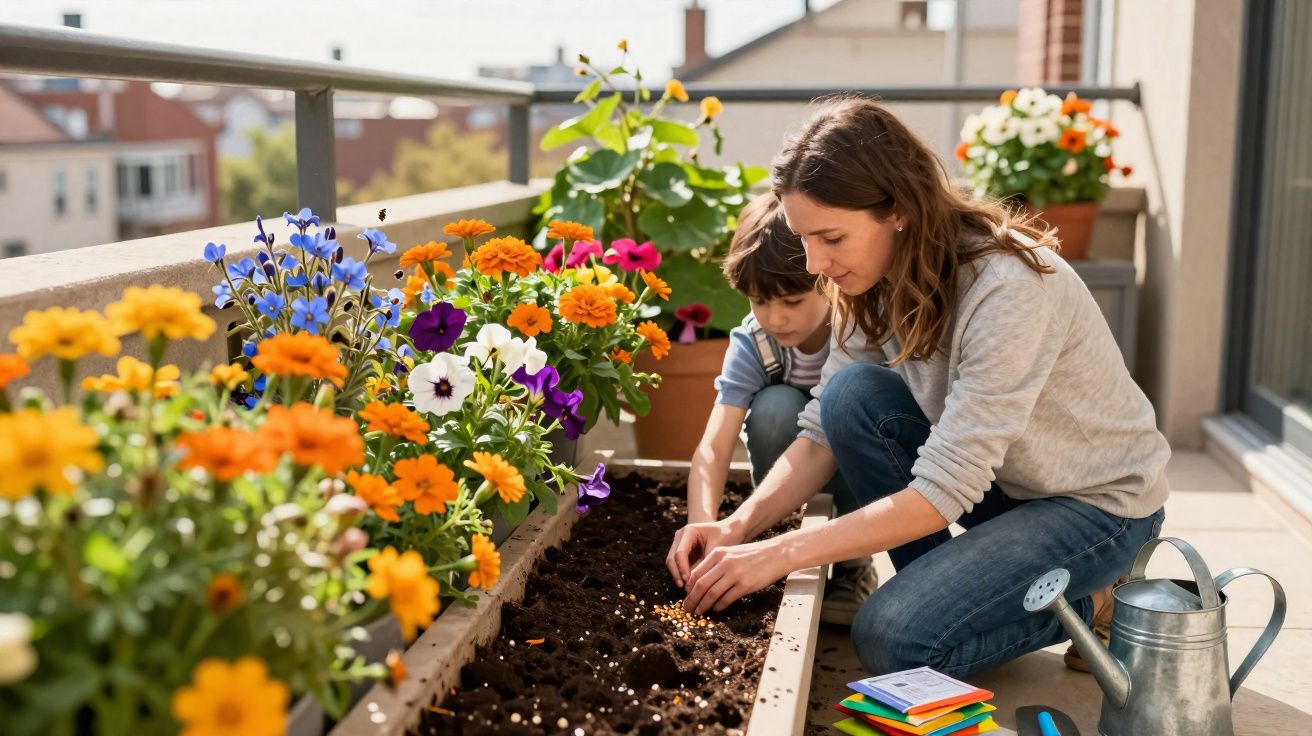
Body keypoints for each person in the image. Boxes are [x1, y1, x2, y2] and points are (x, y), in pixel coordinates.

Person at [665, 97, 1169, 679]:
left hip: (1096, 506)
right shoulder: (864, 279)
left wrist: (780, 554)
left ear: (898, 209)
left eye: (830, 237)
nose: (815, 262)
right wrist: (736, 527)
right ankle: (952, 601)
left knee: (892, 641)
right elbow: (821, 430)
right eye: (805, 239)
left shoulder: (1007, 288)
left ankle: (1100, 599)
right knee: (850, 396)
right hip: (1006, 486)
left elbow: (943, 491)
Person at [687, 192, 877, 625]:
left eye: (791, 301)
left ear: (826, 278)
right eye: (759, 301)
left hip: (851, 469)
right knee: (775, 405)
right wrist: (703, 528)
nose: (776, 318)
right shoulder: (755, 343)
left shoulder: (858, 332)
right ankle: (778, 535)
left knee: (846, 406)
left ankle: (852, 566)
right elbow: (714, 447)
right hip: (790, 479)